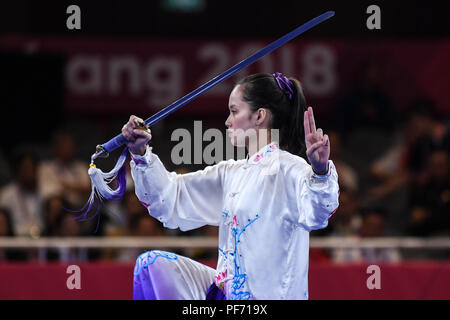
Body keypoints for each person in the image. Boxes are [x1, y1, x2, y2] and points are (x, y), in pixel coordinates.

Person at [123, 73, 339, 300]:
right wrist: (141, 154)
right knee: (151, 265)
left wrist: (320, 171)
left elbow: (318, 213)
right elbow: (170, 197)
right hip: (229, 296)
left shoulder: (290, 169)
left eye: (234, 111)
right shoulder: (230, 173)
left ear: (259, 116)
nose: (227, 121)